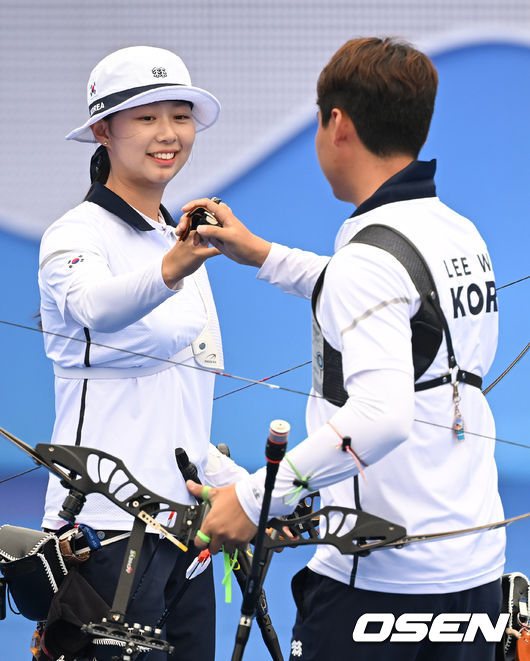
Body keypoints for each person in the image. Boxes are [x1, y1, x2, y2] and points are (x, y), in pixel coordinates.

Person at [182, 37, 506, 660]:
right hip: (473, 571)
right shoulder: (455, 230)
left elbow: (381, 415)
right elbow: (401, 303)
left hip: (380, 584)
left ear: (337, 124)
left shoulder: (369, 258)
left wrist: (255, 500)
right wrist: (265, 255)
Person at [38, 45, 248, 661]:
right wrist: (174, 265)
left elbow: (176, 413)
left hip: (186, 536)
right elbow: (97, 307)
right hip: (100, 533)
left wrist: (245, 488)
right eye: (146, 117)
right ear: (103, 130)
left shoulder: (174, 239)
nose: (168, 134)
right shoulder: (75, 234)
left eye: (180, 116)